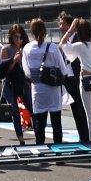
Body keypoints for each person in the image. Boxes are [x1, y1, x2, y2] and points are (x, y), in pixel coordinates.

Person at [22, 18, 72, 146]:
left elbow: (27, 72)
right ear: (45, 32)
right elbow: (63, 68)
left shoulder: (27, 48)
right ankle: (58, 153)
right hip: (53, 89)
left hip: (37, 89)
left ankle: (40, 151)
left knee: (40, 122)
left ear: (32, 32)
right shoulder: (53, 47)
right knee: (56, 122)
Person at [61, 18, 91, 144]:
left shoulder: (80, 46)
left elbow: (62, 45)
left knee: (90, 115)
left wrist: (70, 30)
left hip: (86, 80)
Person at [1, 22, 32, 142]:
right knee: (15, 112)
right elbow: (4, 69)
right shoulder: (6, 49)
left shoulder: (26, 49)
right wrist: (14, 60)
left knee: (32, 109)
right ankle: (21, 139)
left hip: (23, 82)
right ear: (11, 37)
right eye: (15, 37)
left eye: (20, 37)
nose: (18, 40)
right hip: (9, 83)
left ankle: (39, 137)